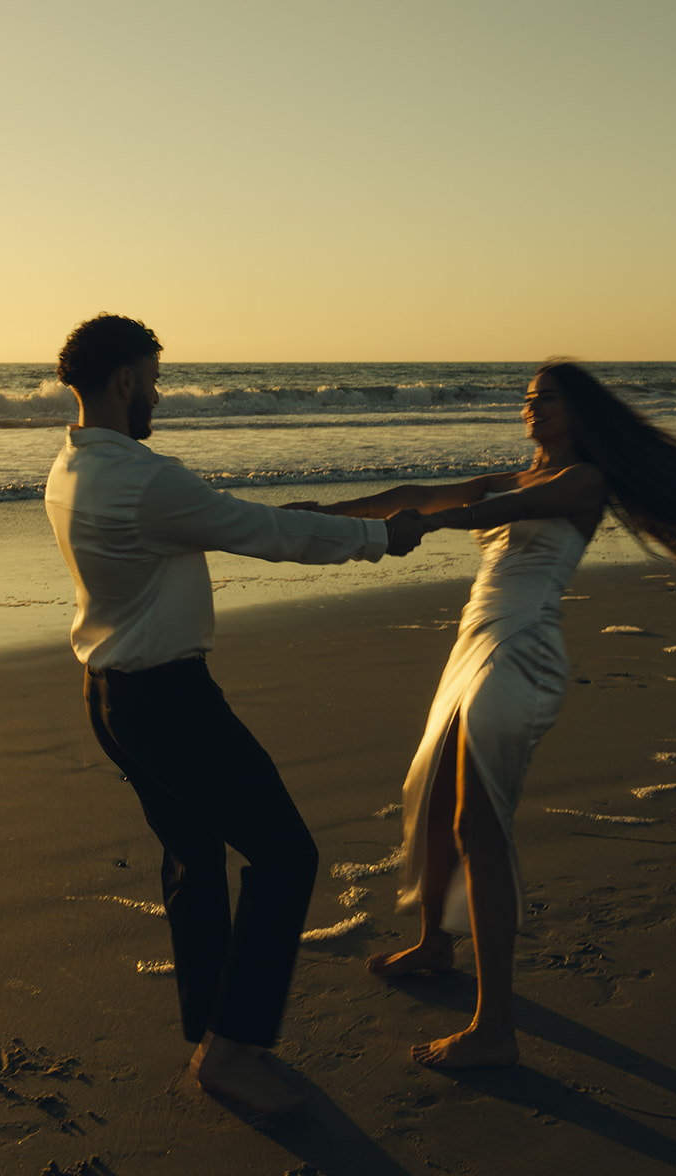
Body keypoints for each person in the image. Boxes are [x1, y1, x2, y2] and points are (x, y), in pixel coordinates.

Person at [303, 359, 676, 1070]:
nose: (532, 408)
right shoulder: (513, 474)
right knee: (433, 801)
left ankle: (494, 1030)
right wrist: (333, 514)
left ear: (580, 411)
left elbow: (495, 514)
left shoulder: (581, 481)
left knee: (478, 825)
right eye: (527, 399)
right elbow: (418, 492)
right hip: (474, 644)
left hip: (521, 651)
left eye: (547, 398)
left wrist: (428, 524)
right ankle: (436, 941)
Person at [44, 314, 423, 1114]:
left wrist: (264, 514)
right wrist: (377, 538)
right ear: (124, 381)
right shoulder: (145, 478)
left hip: (108, 697)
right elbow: (261, 534)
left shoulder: (70, 469)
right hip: (168, 703)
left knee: (192, 857)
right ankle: (233, 1050)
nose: (158, 392)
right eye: (153, 377)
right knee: (285, 857)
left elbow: (204, 524)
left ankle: (209, 1037)